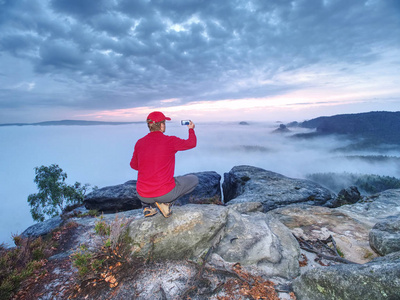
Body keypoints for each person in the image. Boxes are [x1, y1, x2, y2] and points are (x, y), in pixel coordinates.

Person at [130, 111, 199, 218]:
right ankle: (165, 204)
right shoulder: (170, 141)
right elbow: (191, 143)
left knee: (148, 182)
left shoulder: (139, 143)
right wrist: (191, 129)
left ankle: (147, 207)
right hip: (165, 194)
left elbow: (134, 166)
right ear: (162, 125)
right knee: (194, 179)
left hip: (143, 195)